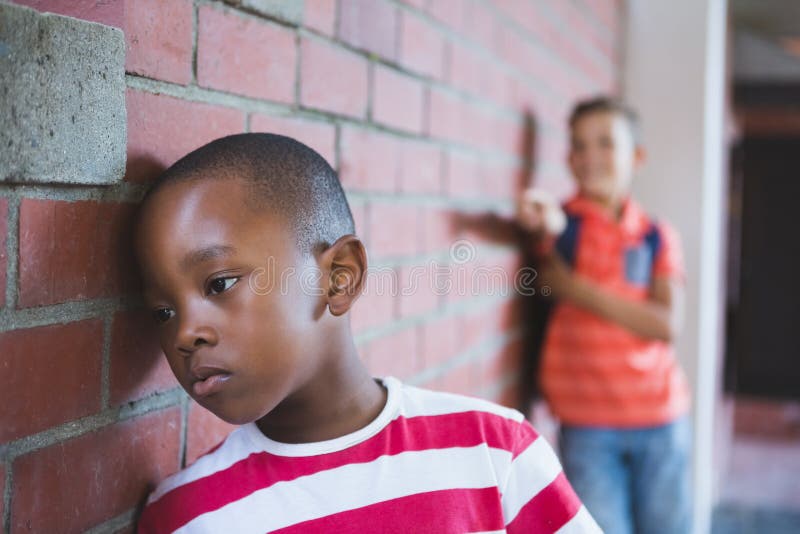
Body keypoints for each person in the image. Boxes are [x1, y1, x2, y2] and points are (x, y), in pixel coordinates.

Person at [134, 133, 599, 533]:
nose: (185, 333)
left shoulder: (494, 452)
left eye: (220, 284)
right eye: (163, 312)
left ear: (340, 277)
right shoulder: (186, 517)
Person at [517, 97, 691, 534]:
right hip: (587, 428)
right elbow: (544, 228)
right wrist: (538, 221)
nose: (589, 157)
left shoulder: (656, 236)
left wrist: (575, 289)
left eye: (605, 144)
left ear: (636, 156)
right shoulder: (565, 226)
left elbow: (666, 323)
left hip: (661, 420)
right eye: (578, 146)